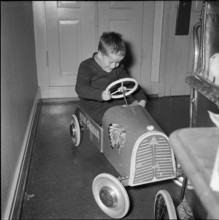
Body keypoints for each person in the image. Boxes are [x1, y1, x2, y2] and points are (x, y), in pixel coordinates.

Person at [75, 32, 148, 125]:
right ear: (100, 54)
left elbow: (130, 83)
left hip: (113, 99)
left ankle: (128, 123)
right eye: (111, 62)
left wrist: (142, 99)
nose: (114, 66)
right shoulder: (86, 66)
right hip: (92, 102)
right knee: (106, 114)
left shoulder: (118, 67)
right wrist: (100, 95)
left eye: (118, 62)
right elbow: (80, 88)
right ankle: (113, 125)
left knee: (131, 103)